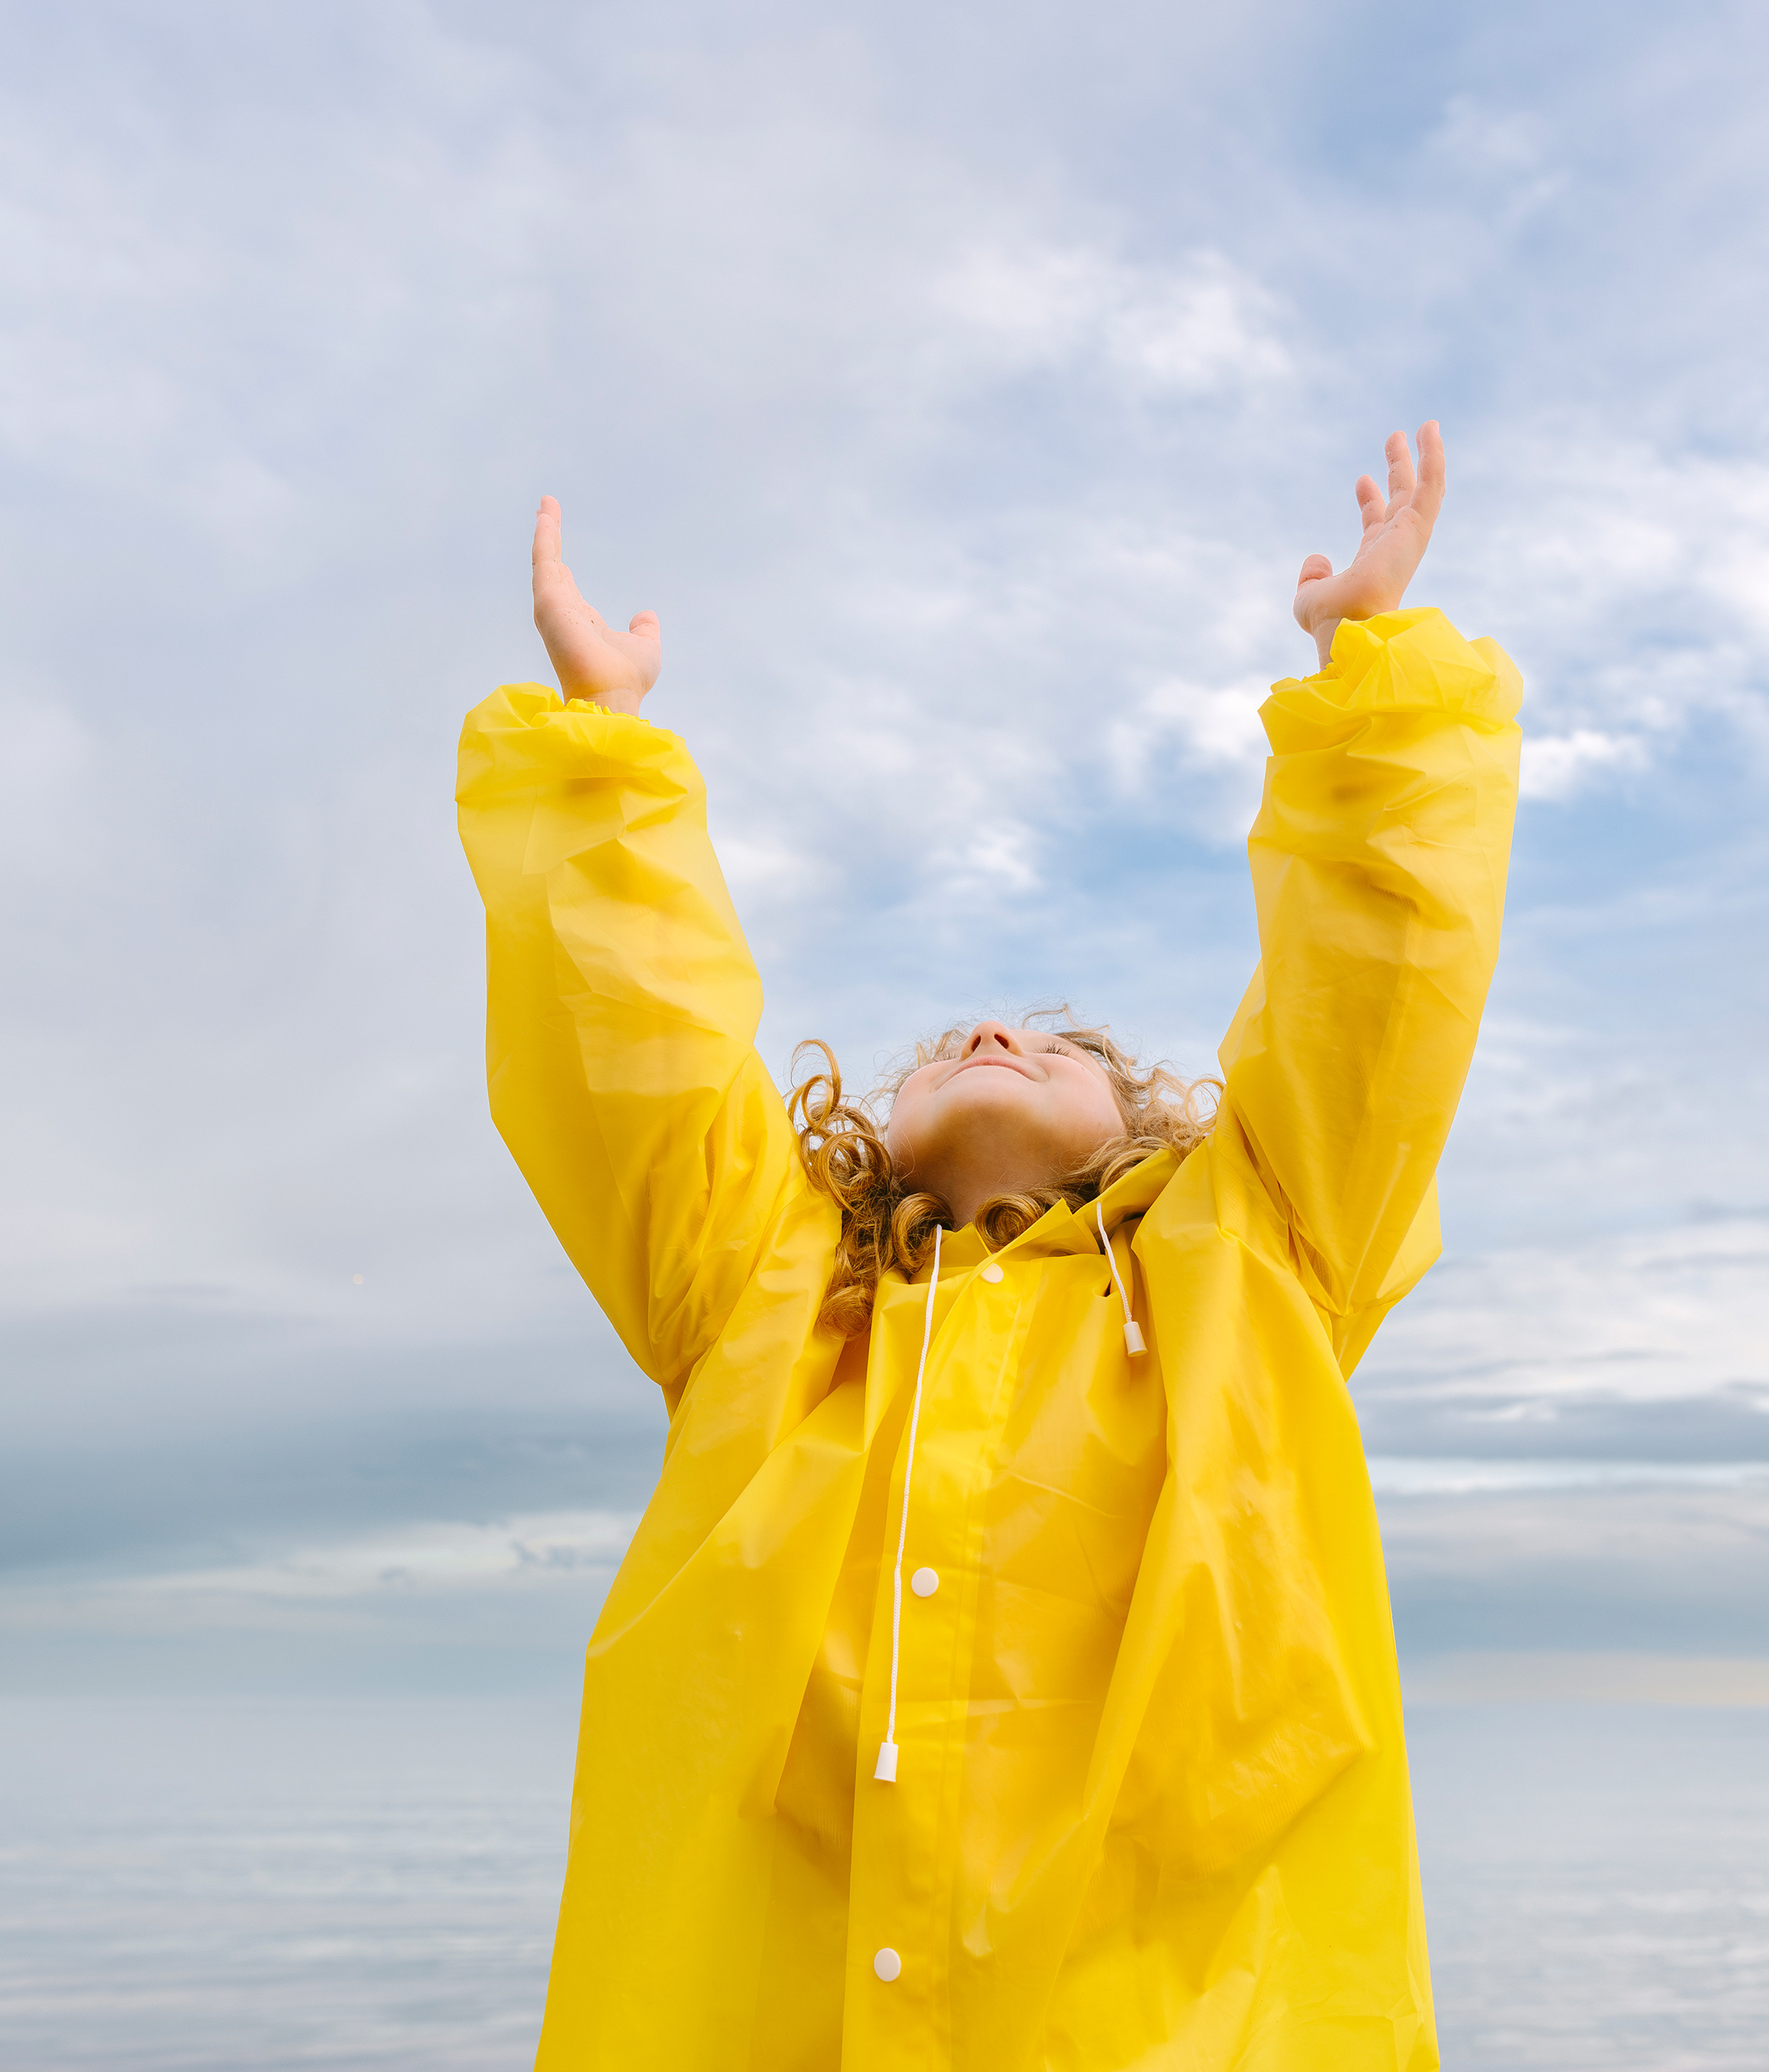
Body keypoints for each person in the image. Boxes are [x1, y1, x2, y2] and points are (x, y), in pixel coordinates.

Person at [455, 424, 1520, 2071]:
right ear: (866, 1140)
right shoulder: (760, 1296)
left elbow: (1380, 978)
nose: (994, 1029)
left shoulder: (1261, 1257)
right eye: (954, 1035)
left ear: (1146, 1128)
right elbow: (638, 1055)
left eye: (1054, 1038)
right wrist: (605, 752)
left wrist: (1368, 676)